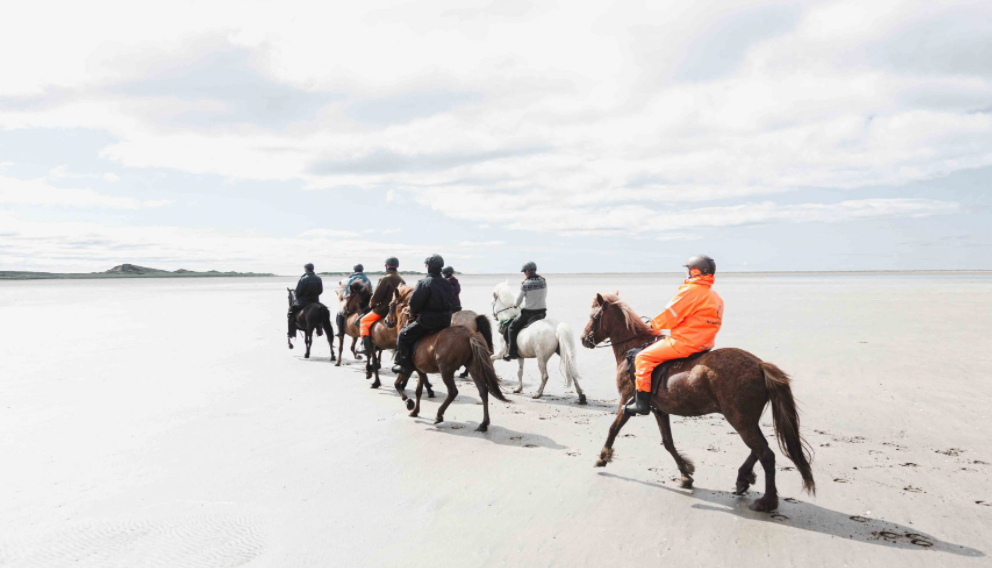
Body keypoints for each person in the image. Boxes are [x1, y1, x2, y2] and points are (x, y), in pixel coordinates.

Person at [625, 255, 723, 417]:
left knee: (642, 358)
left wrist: (651, 325)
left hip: (684, 343)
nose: (688, 274)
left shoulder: (691, 291)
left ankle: (641, 402)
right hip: (705, 344)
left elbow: (670, 316)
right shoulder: (715, 296)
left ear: (696, 271)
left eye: (689, 270)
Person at [391, 254, 455, 375]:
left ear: (429, 267)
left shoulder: (423, 282)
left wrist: (416, 311)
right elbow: (451, 301)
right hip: (446, 320)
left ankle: (402, 365)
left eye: (426, 265)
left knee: (403, 334)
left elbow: (414, 306)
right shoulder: (447, 283)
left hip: (428, 322)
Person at [360, 257, 406, 358]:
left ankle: (366, 347)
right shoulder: (401, 279)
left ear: (386, 266)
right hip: (397, 309)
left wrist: (371, 305)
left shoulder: (385, 278)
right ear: (396, 266)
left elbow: (376, 297)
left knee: (363, 321)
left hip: (384, 309)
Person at [504, 261, 547, 361]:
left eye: (524, 272)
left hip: (528, 313)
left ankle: (511, 352)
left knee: (511, 328)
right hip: (542, 312)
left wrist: (515, 305)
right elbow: (543, 296)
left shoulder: (525, 284)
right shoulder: (543, 281)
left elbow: (518, 301)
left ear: (528, 272)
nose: (524, 273)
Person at [288, 263, 323, 337]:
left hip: (304, 302)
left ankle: (291, 333)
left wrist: (298, 297)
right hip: (315, 301)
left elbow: (298, 293)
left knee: (291, 313)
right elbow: (320, 291)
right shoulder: (318, 278)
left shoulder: (303, 279)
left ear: (306, 269)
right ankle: (319, 329)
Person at [337, 263, 371, 336]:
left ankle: (340, 331)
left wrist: (343, 297)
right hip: (366, 303)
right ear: (362, 270)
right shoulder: (367, 279)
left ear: (354, 270)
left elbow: (347, 292)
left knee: (340, 313)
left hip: (354, 303)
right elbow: (370, 290)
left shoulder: (352, 279)